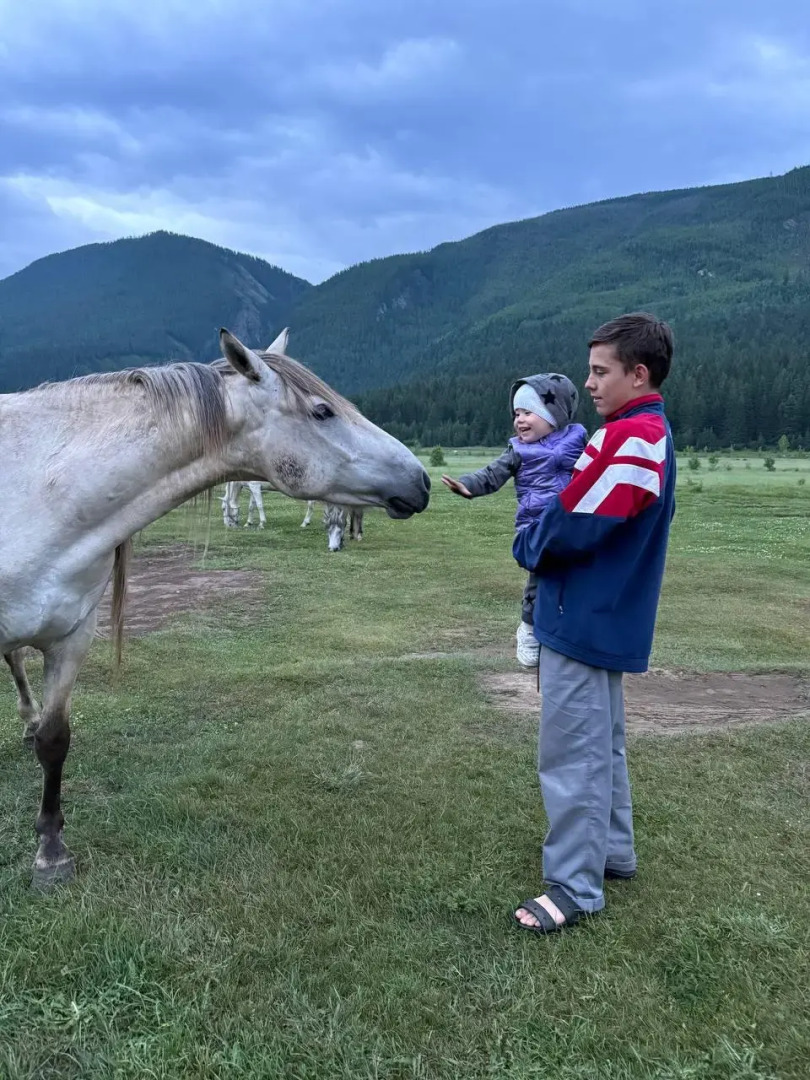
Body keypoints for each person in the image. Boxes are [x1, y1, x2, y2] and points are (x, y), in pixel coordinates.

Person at [511, 312, 676, 934]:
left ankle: (575, 886)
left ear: (639, 374)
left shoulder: (630, 437)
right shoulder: (641, 432)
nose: (590, 383)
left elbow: (575, 520)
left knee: (572, 752)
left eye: (601, 371)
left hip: (582, 617)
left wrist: (529, 543)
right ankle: (613, 853)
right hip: (601, 616)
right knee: (601, 743)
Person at [441, 374, 587, 666]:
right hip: (537, 529)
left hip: (574, 525)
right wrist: (468, 485)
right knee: (540, 577)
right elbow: (492, 474)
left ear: (554, 415)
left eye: (528, 412)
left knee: (576, 578)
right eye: (516, 413)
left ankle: (565, 632)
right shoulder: (518, 451)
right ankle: (529, 629)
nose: (519, 420)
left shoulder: (579, 439)